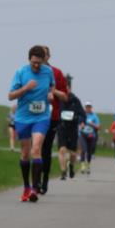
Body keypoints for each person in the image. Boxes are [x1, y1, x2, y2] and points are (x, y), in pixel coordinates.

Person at [9, 45, 58, 202]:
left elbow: (52, 85)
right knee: (25, 152)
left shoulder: (48, 72)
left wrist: (50, 94)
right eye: (33, 62)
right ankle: (26, 187)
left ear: (44, 60)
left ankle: (35, 189)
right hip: (23, 117)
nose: (36, 65)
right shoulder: (21, 72)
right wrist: (26, 88)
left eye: (39, 62)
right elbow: (10, 96)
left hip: (41, 117)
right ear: (29, 60)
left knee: (36, 148)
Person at [38, 47, 69, 194]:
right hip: (33, 115)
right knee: (35, 148)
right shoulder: (30, 72)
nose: (41, 57)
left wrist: (53, 91)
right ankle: (36, 180)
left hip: (52, 116)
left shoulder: (57, 73)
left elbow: (65, 96)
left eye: (43, 54)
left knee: (46, 149)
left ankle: (44, 180)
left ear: (48, 56)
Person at [56, 81, 86, 181]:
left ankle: (71, 166)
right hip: (62, 127)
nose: (64, 90)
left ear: (69, 88)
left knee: (73, 153)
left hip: (73, 128)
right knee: (62, 150)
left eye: (66, 88)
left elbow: (83, 115)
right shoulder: (58, 99)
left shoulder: (75, 100)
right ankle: (63, 172)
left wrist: (81, 122)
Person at [79, 101, 101, 175]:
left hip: (91, 135)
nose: (88, 108)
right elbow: (78, 123)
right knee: (83, 149)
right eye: (86, 107)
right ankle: (82, 165)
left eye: (89, 107)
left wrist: (92, 124)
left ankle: (88, 165)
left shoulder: (94, 116)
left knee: (89, 151)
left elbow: (99, 127)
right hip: (83, 134)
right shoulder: (82, 115)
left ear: (91, 108)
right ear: (85, 108)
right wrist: (81, 125)